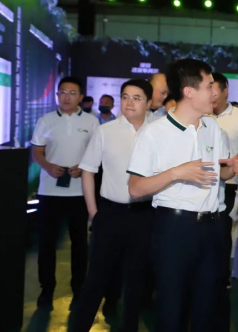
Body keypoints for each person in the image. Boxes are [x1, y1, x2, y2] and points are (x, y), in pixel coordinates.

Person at [127, 59, 238, 331]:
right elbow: (135, 188)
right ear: (189, 92)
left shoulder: (214, 129)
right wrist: (176, 173)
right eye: (209, 86)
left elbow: (218, 175)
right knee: (173, 307)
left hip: (213, 228)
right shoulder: (154, 133)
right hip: (175, 229)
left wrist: (231, 169)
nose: (215, 92)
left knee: (209, 307)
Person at [72, 80, 154, 332]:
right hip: (110, 213)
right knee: (96, 279)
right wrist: (94, 212)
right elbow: (88, 170)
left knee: (136, 282)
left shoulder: (158, 132)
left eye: (137, 98)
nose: (129, 102)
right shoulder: (106, 131)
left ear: (149, 103)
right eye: (125, 96)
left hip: (145, 215)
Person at [31, 76, 100, 309]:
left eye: (72, 93)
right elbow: (37, 152)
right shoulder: (45, 120)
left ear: (80, 97)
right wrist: (48, 166)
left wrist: (83, 167)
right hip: (49, 192)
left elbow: (96, 152)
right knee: (46, 244)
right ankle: (46, 290)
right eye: (62, 92)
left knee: (79, 244)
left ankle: (78, 289)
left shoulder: (91, 121)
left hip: (80, 193)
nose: (66, 97)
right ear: (57, 95)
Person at [211, 72, 238, 331]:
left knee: (222, 232)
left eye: (215, 89)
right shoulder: (201, 114)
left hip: (228, 184)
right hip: (203, 183)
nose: (211, 95)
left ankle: (220, 277)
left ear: (225, 90)